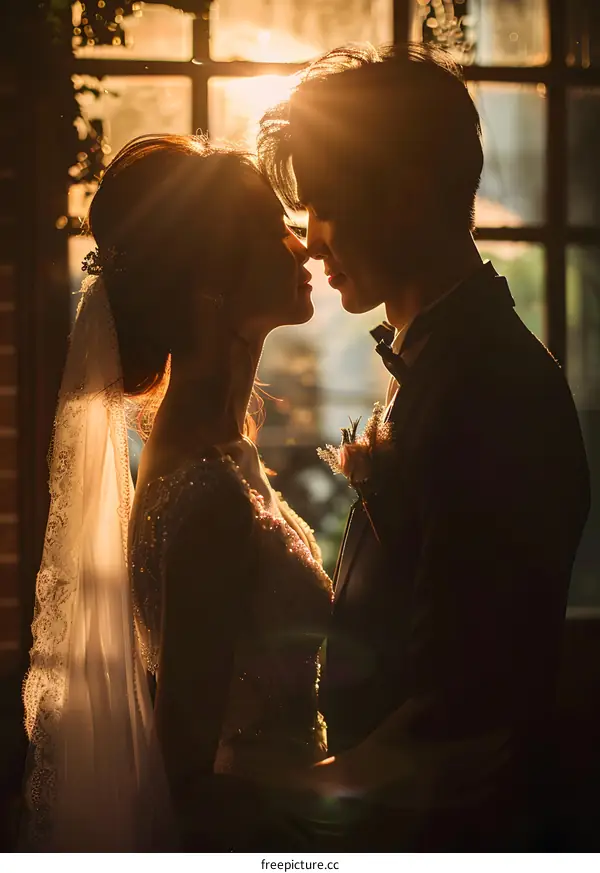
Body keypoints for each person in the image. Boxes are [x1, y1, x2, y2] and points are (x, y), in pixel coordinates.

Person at [259, 43, 591, 849]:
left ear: (404, 193)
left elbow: (463, 710)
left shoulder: (493, 388)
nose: (309, 238)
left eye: (325, 201)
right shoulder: (442, 361)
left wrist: (263, 816)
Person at [21, 134, 332, 851]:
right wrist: (374, 774)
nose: (302, 245)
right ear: (213, 287)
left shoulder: (221, 451)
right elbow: (186, 782)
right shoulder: (207, 494)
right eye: (272, 231)